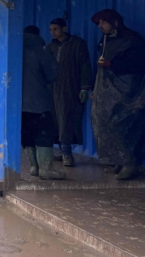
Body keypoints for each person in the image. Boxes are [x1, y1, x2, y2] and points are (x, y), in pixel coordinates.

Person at [90, 9, 145, 180]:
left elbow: (137, 64)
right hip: (107, 92)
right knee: (106, 123)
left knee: (126, 125)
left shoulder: (132, 40)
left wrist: (112, 64)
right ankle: (117, 160)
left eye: (103, 22)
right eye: (98, 23)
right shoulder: (105, 40)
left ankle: (131, 163)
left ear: (114, 22)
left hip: (128, 93)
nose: (100, 26)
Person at [47, 18, 93, 167]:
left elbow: (85, 66)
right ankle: (61, 150)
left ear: (64, 29)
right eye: (51, 29)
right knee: (55, 119)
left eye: (56, 29)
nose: (53, 32)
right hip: (53, 89)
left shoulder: (78, 44)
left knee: (67, 118)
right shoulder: (50, 47)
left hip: (70, 88)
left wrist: (84, 88)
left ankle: (67, 153)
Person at [21, 26, 64, 180]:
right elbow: (52, 74)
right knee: (43, 133)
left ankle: (34, 167)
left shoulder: (14, 49)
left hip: (18, 103)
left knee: (27, 134)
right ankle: (46, 168)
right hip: (38, 102)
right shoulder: (42, 50)